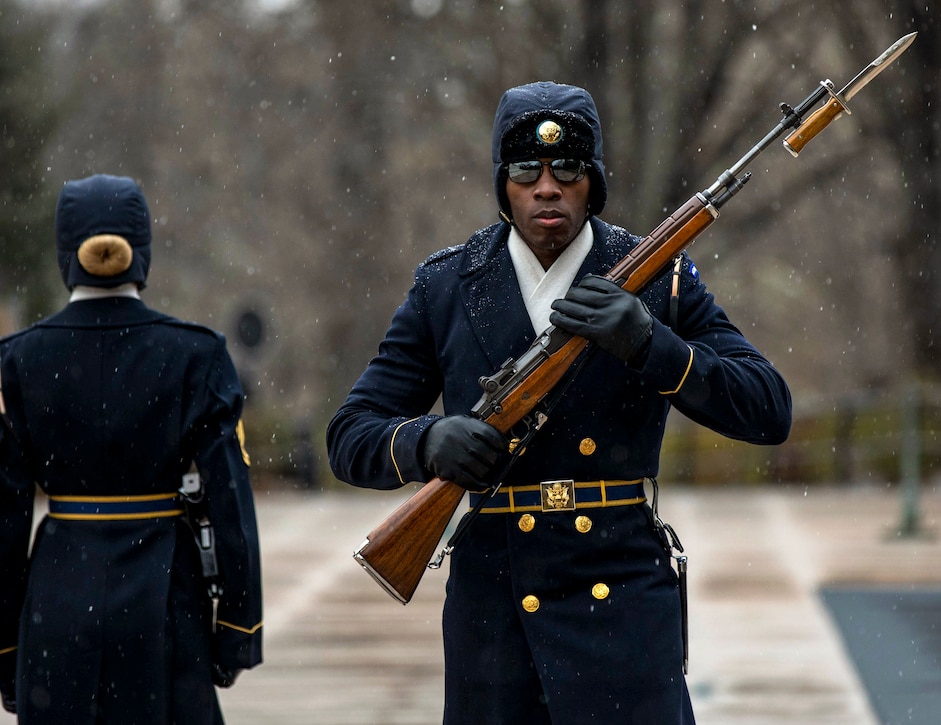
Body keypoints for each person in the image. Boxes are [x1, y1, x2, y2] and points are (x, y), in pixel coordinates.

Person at [327, 81, 791, 724]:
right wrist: (426, 442)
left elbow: (768, 408)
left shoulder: (658, 276)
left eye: (568, 167)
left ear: (592, 181)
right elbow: (349, 434)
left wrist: (652, 346)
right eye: (526, 169)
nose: (547, 186)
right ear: (504, 184)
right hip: (494, 610)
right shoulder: (447, 284)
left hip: (621, 599)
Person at [0, 174, 263, 723]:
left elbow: (4, 517)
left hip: (57, 601)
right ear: (142, 250)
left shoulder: (18, 362)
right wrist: (239, 627)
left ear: (63, 251)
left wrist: (5, 647)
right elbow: (229, 499)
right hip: (164, 599)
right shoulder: (196, 354)